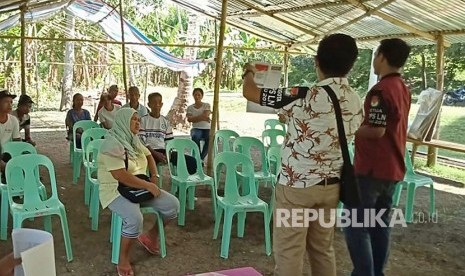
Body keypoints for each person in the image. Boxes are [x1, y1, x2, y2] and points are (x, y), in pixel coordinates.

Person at [242, 33, 363, 276]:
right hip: (331, 188)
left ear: (317, 61)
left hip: (296, 187)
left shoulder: (303, 95)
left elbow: (250, 92)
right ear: (351, 64)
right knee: (323, 250)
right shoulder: (355, 99)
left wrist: (248, 72)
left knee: (289, 252)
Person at [345, 38, 412, 276]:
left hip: (372, 169)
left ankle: (364, 272)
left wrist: (349, 127)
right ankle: (376, 272)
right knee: (379, 226)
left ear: (382, 56)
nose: (373, 61)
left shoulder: (380, 91)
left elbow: (376, 129)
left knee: (356, 225)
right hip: (392, 169)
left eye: (375, 55)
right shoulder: (403, 88)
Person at [98, 108, 179, 276]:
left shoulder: (134, 139)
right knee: (134, 218)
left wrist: (154, 176)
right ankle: (123, 259)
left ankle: (150, 236)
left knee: (172, 205)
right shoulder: (111, 144)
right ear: (123, 121)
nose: (137, 122)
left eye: (138, 119)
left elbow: (149, 155)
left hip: (138, 187)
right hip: (115, 190)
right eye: (133, 119)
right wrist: (148, 186)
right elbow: (120, 175)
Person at [139, 93, 197, 174]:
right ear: (149, 105)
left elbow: (169, 141)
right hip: (149, 152)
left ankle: (186, 183)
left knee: (191, 161)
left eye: (159, 102)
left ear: (162, 104)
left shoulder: (165, 121)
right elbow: (142, 141)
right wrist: (155, 154)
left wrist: (167, 153)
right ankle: (151, 185)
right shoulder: (143, 120)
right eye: (154, 102)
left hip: (164, 151)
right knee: (150, 168)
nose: (157, 105)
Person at [186, 88, 211, 162]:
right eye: (195, 95)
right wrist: (203, 117)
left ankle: (201, 158)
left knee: (210, 139)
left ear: (202, 96)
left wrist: (195, 118)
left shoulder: (206, 105)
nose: (197, 96)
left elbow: (206, 115)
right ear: (193, 96)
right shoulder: (190, 107)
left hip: (207, 128)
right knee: (195, 136)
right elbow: (189, 119)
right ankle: (198, 156)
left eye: (199, 95)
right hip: (196, 128)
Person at [0, 90, 21, 170]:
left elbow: (17, 141)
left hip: (7, 153)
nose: (9, 105)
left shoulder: (13, 120)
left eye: (11, 102)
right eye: (6, 102)